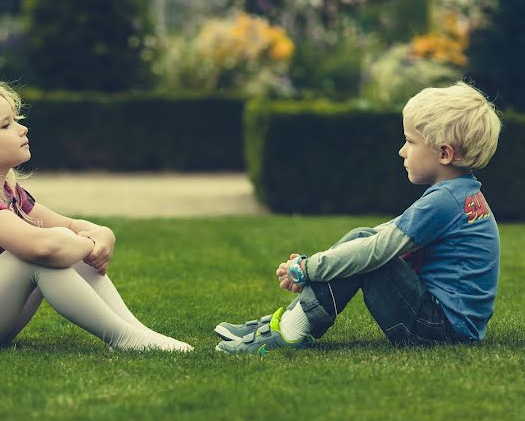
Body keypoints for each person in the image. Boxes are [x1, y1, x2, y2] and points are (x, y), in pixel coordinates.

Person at [0, 80, 192, 352]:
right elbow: (42, 248)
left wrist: (100, 234)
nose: (23, 128)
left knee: (57, 244)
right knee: (39, 252)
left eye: (16, 121)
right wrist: (84, 244)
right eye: (6, 125)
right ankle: (123, 338)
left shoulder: (8, 192)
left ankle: (138, 333)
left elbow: (71, 226)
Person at [215, 81, 502, 354]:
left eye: (410, 141)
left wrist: (310, 268)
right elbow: (382, 235)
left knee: (368, 252)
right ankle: (287, 322)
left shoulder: (445, 201)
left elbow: (376, 250)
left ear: (444, 153)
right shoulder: (459, 195)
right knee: (364, 239)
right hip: (446, 325)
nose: (402, 151)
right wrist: (314, 266)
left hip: (438, 329)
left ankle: (289, 331)